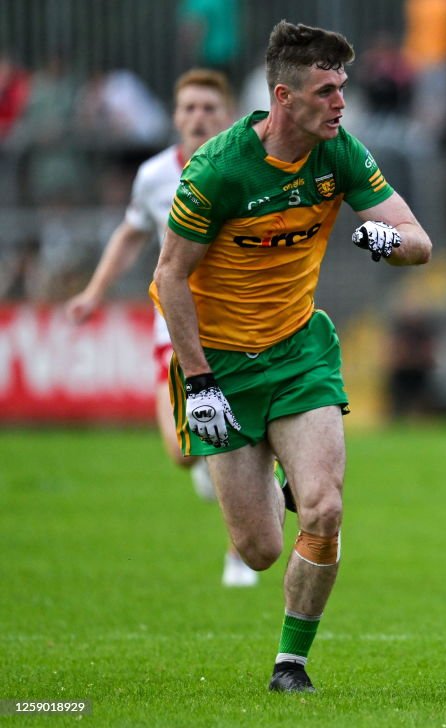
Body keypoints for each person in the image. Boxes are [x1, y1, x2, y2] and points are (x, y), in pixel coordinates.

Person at [152, 20, 432, 693]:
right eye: (326, 90)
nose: (341, 103)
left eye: (343, 88)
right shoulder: (218, 169)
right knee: (258, 549)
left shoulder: (339, 152)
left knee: (325, 509)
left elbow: (418, 242)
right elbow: (169, 278)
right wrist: (200, 383)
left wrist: (379, 242)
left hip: (301, 353)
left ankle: (291, 664)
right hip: (221, 368)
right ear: (285, 97)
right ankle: (282, 482)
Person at [65, 68, 259, 588]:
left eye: (208, 108)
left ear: (227, 117)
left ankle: (239, 555)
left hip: (239, 326)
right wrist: (93, 292)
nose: (198, 117)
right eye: (189, 108)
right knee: (181, 451)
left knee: (240, 440)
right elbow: (131, 235)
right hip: (173, 327)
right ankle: (202, 463)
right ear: (175, 116)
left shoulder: (251, 169)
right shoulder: (153, 176)